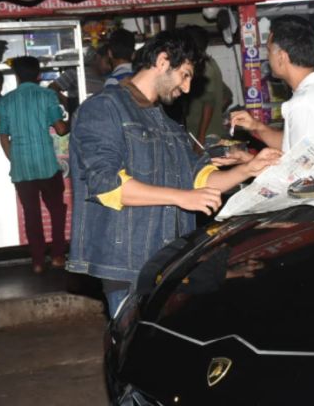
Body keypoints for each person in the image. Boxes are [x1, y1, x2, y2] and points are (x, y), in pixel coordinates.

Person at [67, 29, 281, 318]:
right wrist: (184, 197)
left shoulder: (166, 124)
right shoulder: (104, 109)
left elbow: (199, 180)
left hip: (168, 262)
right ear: (163, 61)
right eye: (185, 74)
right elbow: (107, 186)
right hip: (128, 266)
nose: (188, 88)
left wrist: (249, 169)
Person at [229, 15, 314, 165]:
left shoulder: (304, 104)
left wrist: (249, 162)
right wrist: (257, 126)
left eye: (268, 50)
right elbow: (293, 145)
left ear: (281, 57)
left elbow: (300, 172)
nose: (267, 57)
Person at [0, 56, 69, 274]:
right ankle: (57, 256)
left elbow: (3, 137)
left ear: (17, 76)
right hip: (46, 164)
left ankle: (37, 262)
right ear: (38, 76)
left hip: (22, 168)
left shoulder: (6, 101)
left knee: (31, 214)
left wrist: (16, 160)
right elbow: (61, 130)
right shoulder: (47, 96)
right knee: (57, 210)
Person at [183, 25, 227, 147]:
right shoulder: (211, 64)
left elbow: (209, 104)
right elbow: (227, 96)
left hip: (204, 137)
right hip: (209, 134)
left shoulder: (203, 69)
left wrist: (200, 139)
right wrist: (216, 116)